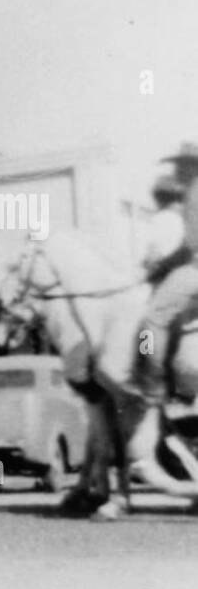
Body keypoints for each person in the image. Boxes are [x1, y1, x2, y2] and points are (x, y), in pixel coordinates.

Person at [123, 147, 198, 464]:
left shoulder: (194, 193)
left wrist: (155, 269)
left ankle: (154, 390)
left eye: (182, 166)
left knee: (151, 321)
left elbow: (189, 248)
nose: (178, 172)